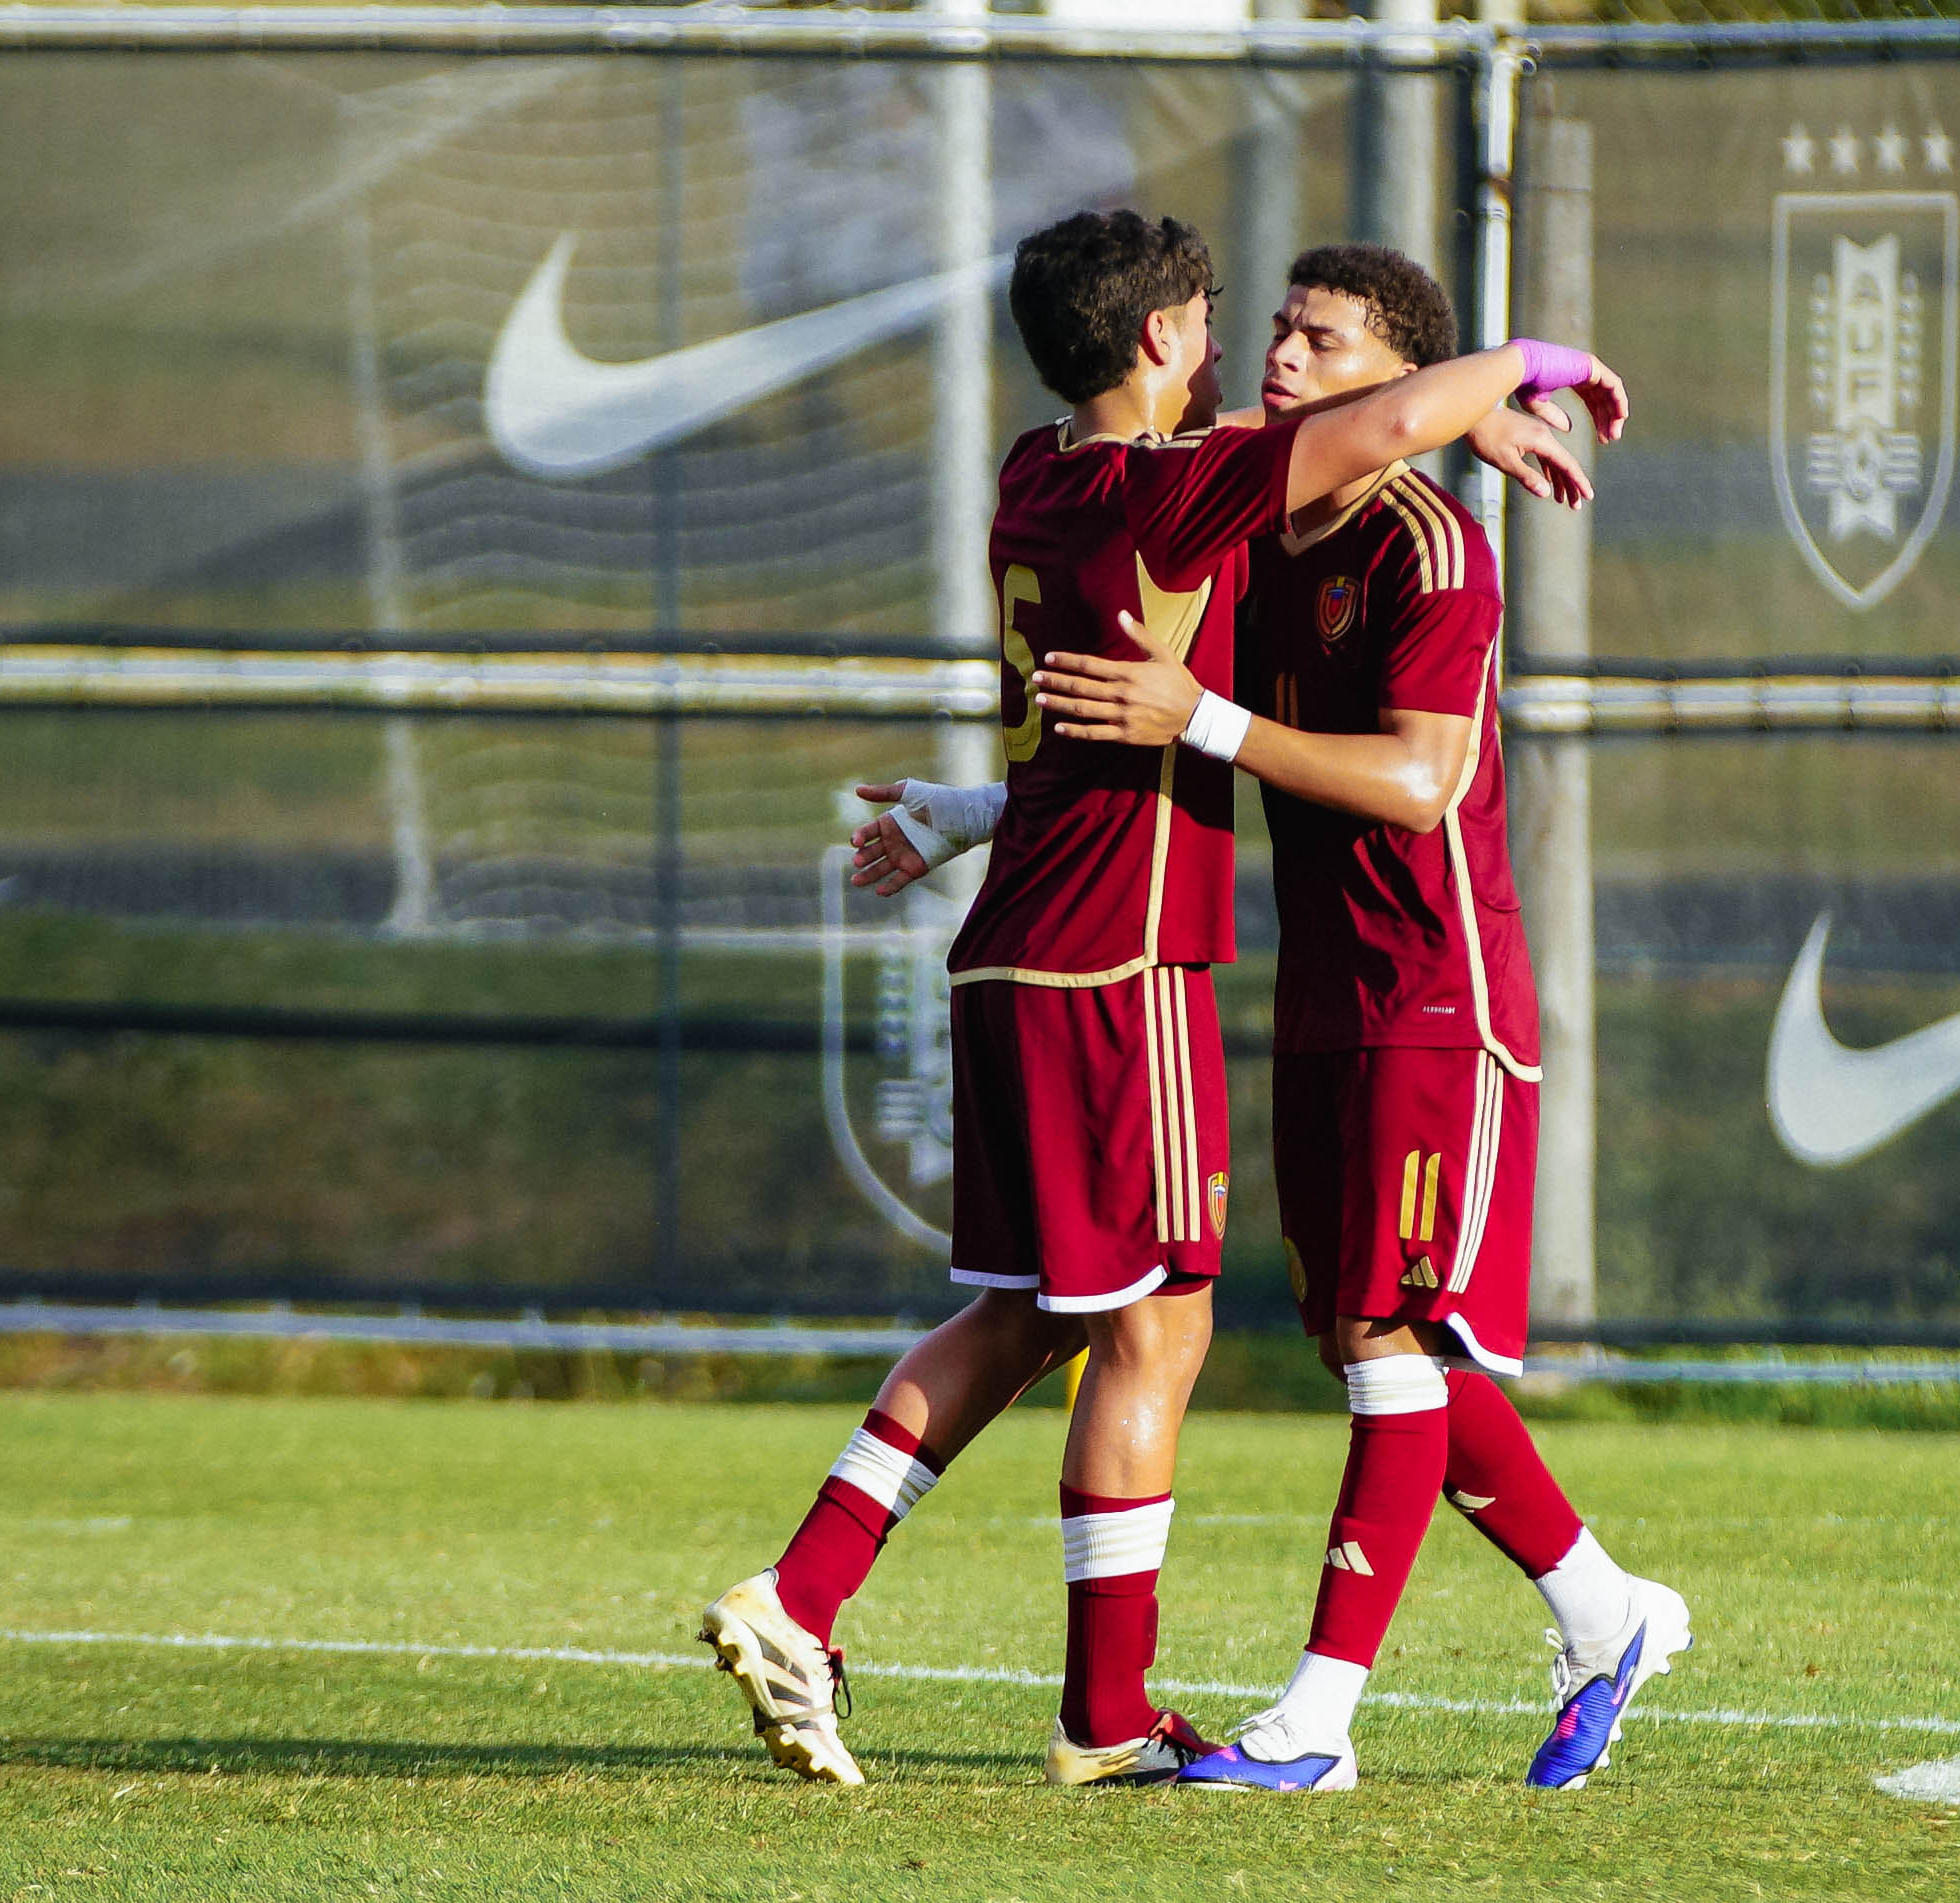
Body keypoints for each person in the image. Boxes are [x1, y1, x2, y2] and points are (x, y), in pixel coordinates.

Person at [701, 208, 1620, 1790]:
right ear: (1159, 343)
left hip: (1021, 932)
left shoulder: (1038, 469)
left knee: (1032, 1314)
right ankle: (1089, 1712)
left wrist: (964, 807)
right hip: (1117, 958)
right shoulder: (1181, 489)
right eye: (1224, 322)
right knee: (1164, 1326)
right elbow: (1376, 424)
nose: (1250, 354)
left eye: (1302, 336)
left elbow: (1295, 490)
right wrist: (1523, 366)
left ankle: (819, 1601)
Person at [1024, 244, 1689, 1794]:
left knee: (1391, 1345)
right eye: (1276, 330)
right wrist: (966, 812)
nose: (1277, 356)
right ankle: (1607, 1612)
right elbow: (1136, 708)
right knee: (1368, 1347)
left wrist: (1208, 718)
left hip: (1433, 997)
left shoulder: (1431, 550)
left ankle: (1314, 1722)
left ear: (1389, 383)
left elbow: (1420, 781)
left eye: (1319, 342)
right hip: (1324, 999)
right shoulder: (1252, 533)